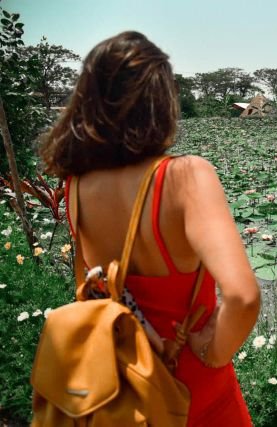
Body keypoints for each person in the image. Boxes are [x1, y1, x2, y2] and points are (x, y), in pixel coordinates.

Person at [39, 31, 260, 426]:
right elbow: (243, 298)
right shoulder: (186, 177)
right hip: (196, 396)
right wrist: (213, 352)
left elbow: (97, 289)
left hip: (124, 394)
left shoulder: (75, 187)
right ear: (161, 102)